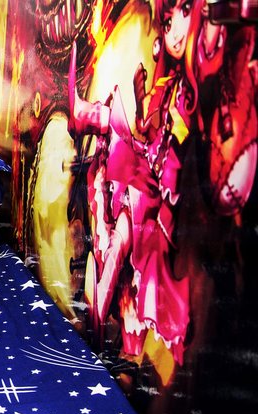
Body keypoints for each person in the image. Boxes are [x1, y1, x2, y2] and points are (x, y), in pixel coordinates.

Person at [68, 0, 229, 380]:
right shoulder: (165, 85)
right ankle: (103, 342)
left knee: (122, 245)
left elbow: (172, 146)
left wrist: (145, 134)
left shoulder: (187, 92)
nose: (174, 32)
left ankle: (99, 342)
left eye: (183, 16)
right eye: (169, 22)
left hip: (154, 196)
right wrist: (137, 114)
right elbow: (148, 132)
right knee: (117, 249)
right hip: (141, 185)